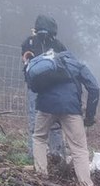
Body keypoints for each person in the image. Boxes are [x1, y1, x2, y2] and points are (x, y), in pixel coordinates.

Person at [26, 44, 100, 186]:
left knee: (39, 137)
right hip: (70, 108)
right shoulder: (77, 65)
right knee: (79, 148)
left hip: (45, 106)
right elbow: (94, 88)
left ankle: (41, 177)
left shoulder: (48, 64)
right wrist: (89, 116)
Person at [20, 15, 67, 159]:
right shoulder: (54, 44)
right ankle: (52, 155)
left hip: (40, 87)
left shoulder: (30, 42)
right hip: (49, 88)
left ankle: (46, 154)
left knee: (41, 120)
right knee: (48, 120)